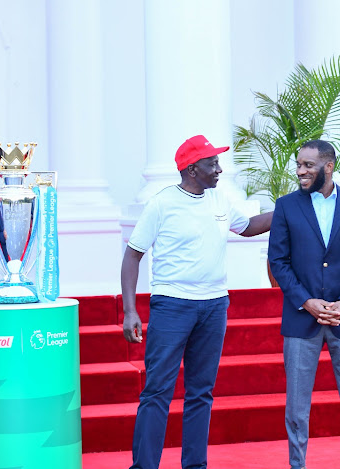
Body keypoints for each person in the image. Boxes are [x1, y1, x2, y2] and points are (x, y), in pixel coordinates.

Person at [121, 134, 273, 469]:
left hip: (215, 306)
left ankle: (194, 465)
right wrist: (130, 310)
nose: (219, 169)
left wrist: (289, 209)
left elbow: (247, 227)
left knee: (201, 392)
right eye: (212, 163)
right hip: (173, 305)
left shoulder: (218, 200)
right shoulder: (161, 204)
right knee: (157, 392)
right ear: (192, 169)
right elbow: (133, 256)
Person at [268, 139, 340, 469]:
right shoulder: (287, 206)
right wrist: (307, 301)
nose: (301, 171)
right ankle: (297, 465)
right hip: (301, 320)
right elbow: (279, 261)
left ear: (328, 167)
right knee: (297, 405)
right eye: (299, 165)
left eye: (308, 165)